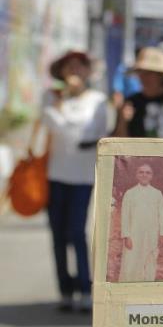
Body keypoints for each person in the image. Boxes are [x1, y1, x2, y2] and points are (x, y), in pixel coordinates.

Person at [42, 50, 108, 313]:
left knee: (77, 232)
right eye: (69, 67)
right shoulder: (52, 96)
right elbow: (54, 123)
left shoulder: (97, 100)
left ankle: (85, 287)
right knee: (58, 234)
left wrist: (68, 118)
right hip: (55, 175)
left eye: (79, 66)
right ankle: (65, 290)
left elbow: (95, 132)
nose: (74, 71)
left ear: (87, 71)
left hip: (82, 177)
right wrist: (63, 101)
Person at [118, 163, 163, 282]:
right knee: (131, 261)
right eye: (141, 172)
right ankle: (129, 286)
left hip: (152, 234)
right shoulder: (130, 193)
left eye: (147, 172)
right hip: (134, 234)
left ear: (151, 176)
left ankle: (146, 286)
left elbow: (162, 215)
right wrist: (126, 236)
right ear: (137, 175)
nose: (144, 175)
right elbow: (125, 216)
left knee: (150, 261)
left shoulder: (157, 193)